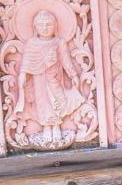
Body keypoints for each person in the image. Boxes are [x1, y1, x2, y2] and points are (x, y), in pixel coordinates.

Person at [15, 8, 84, 147]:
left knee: (58, 99)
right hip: (38, 79)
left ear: (55, 26)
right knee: (43, 102)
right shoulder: (32, 43)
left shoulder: (59, 42)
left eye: (48, 24)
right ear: (35, 27)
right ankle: (46, 127)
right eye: (41, 25)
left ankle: (57, 126)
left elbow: (65, 60)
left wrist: (73, 75)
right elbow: (27, 62)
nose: (45, 28)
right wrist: (22, 74)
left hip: (55, 77)